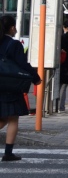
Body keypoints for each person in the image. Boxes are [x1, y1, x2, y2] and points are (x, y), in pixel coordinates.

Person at [0, 16, 42, 161]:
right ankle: (8, 153)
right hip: (10, 86)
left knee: (3, 118)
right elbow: (23, 64)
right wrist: (35, 78)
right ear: (12, 27)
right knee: (12, 118)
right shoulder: (14, 44)